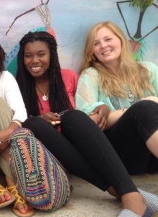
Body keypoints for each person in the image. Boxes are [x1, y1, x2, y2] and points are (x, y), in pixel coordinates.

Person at [16, 30, 157, 217]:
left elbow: (86, 110)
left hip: (83, 143)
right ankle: (128, 194)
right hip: (54, 153)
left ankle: (131, 198)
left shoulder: (68, 77)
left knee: (73, 117)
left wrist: (103, 108)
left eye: (41, 54)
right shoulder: (17, 84)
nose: (35, 60)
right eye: (28, 56)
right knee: (33, 123)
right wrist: (40, 119)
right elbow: (17, 122)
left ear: (51, 55)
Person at [0, 33, 71, 217]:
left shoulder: (4, 78)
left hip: (7, 146)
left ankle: (12, 181)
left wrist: (5, 133)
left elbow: (20, 113)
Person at [77, 21, 158, 175]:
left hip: (153, 158)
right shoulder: (91, 76)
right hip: (124, 156)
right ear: (92, 51)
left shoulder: (149, 70)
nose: (103, 46)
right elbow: (88, 124)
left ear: (121, 40)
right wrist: (132, 110)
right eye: (96, 43)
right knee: (144, 107)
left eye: (108, 39)